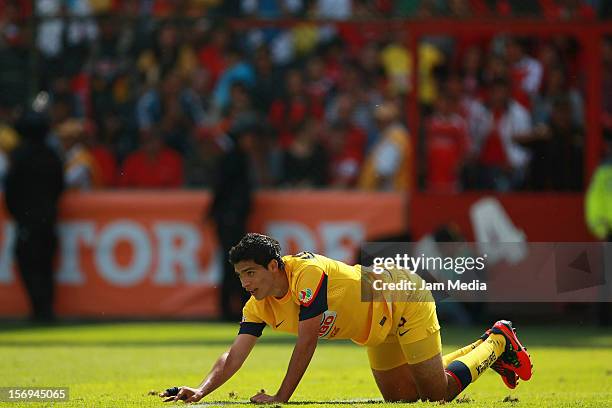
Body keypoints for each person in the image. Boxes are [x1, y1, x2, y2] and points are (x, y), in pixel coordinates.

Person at [161, 233, 533, 403]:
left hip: (401, 298)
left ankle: (498, 340)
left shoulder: (306, 275)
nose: (245, 284)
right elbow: (233, 355)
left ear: (273, 266)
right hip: (374, 328)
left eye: (250, 274)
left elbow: (307, 341)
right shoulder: (258, 304)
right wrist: (200, 391)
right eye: (240, 276)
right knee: (403, 400)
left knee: (436, 395)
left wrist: (280, 398)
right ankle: (487, 346)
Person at [3, 94, 65, 322]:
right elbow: (60, 186)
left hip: (27, 222)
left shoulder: (20, 157)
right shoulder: (51, 156)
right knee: (46, 265)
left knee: (29, 263)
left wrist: (18, 213)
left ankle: (40, 310)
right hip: (48, 219)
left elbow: (12, 190)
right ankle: (45, 309)